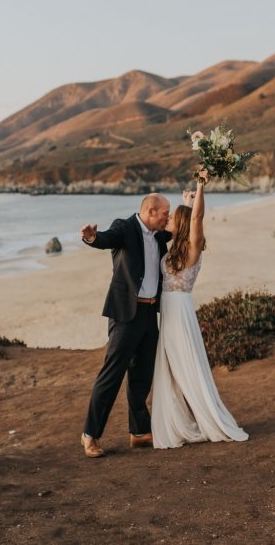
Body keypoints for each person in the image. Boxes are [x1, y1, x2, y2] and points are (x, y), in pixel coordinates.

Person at [152, 170, 248, 448]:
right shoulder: (175, 248)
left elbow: (197, 218)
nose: (167, 220)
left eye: (171, 218)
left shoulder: (193, 248)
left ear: (181, 223)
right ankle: (177, 421)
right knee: (170, 368)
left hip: (179, 310)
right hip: (168, 311)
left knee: (186, 365)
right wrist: (187, 200)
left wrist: (199, 187)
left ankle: (207, 418)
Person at [79, 192, 172, 458]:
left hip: (149, 313)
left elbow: (185, 226)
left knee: (142, 376)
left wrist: (193, 199)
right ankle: (90, 435)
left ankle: (139, 432)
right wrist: (90, 237)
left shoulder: (159, 234)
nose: (168, 217)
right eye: (165, 213)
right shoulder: (124, 226)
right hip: (125, 315)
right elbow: (105, 238)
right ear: (151, 212)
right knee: (112, 375)